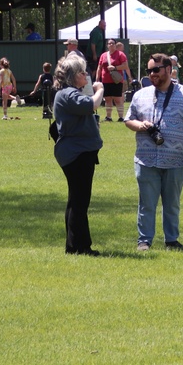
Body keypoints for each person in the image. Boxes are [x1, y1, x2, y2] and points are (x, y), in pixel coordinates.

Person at [124, 53, 183, 252]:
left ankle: (171, 240)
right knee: (147, 204)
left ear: (169, 70)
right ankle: (144, 241)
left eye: (156, 70)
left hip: (177, 160)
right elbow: (128, 120)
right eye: (149, 71)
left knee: (172, 204)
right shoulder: (140, 95)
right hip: (146, 159)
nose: (152, 74)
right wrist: (140, 125)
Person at [52, 54, 105, 256]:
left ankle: (74, 245)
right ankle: (80, 247)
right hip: (77, 153)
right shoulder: (68, 94)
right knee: (80, 201)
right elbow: (91, 105)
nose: (86, 75)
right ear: (74, 75)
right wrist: (99, 90)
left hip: (77, 152)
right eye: (83, 72)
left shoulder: (68, 93)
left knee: (77, 200)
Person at [97, 39, 129, 122]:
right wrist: (97, 78)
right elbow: (99, 67)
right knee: (107, 99)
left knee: (118, 99)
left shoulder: (120, 54)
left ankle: (121, 117)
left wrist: (115, 68)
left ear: (115, 45)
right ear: (107, 45)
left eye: (112, 43)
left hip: (116, 80)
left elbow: (125, 66)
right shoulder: (103, 55)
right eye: (109, 43)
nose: (111, 45)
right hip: (105, 80)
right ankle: (108, 117)